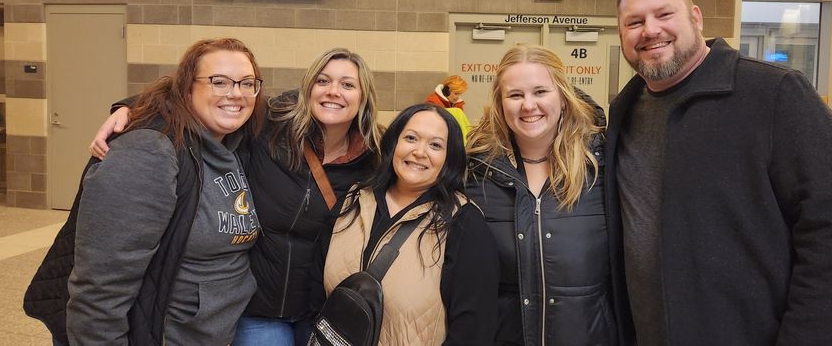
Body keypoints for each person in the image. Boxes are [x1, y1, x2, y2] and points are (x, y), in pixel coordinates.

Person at [606, 0, 832, 344]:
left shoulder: (774, 94)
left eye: (664, 14)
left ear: (696, 17)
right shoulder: (626, 110)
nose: (650, 30)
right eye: (634, 22)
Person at [90, 48, 382, 346]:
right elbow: (205, 101)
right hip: (259, 310)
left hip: (321, 309)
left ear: (364, 98)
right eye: (322, 81)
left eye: (348, 84)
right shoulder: (271, 125)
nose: (333, 91)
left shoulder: (375, 159)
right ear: (308, 88)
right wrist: (129, 109)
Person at [25, 38, 266, 345]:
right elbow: (100, 289)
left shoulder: (235, 143)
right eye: (219, 81)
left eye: (247, 83)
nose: (236, 93)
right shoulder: (147, 153)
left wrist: (130, 104)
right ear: (187, 89)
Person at [465, 44, 628, 346]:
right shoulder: (475, 173)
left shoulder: (602, 166)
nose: (529, 105)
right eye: (515, 95)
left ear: (563, 97)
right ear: (500, 104)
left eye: (540, 92)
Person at [319, 104, 499, 345]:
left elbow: (474, 330)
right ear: (394, 143)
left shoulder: (464, 222)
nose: (419, 152)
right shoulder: (354, 200)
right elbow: (315, 294)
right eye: (411, 138)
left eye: (435, 145)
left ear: (449, 158)